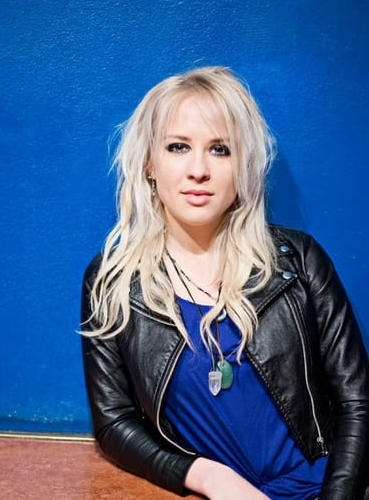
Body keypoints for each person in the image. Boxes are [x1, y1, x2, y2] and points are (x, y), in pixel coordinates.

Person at [81, 66, 369, 500]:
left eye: (220, 149)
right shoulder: (112, 281)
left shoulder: (299, 261)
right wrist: (209, 477)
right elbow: (114, 423)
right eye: (178, 147)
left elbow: (357, 403)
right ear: (149, 163)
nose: (198, 170)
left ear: (243, 165)